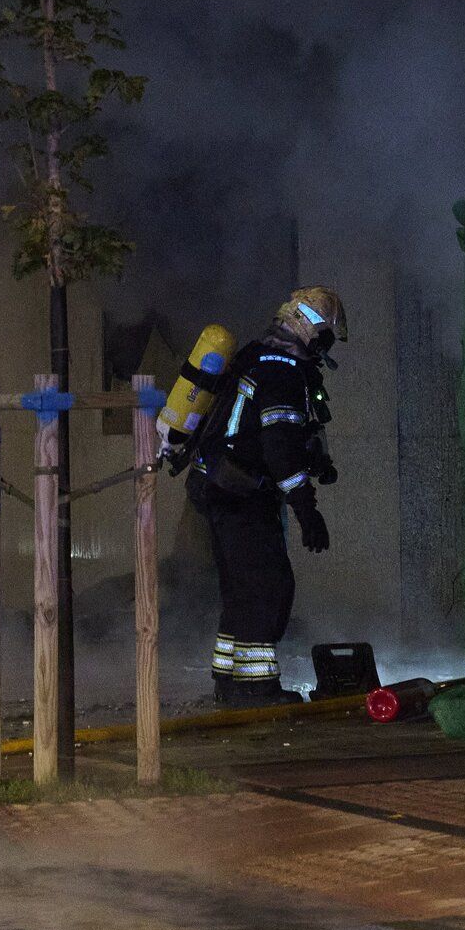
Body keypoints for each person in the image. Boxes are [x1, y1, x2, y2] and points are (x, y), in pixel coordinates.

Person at [187, 286, 345, 706]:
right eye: (325, 334)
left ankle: (230, 682)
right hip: (241, 492)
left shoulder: (259, 357)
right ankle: (258, 689)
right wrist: (306, 509)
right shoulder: (282, 371)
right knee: (268, 586)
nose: (326, 345)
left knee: (241, 588)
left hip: (221, 487)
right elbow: (279, 448)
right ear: (307, 326)